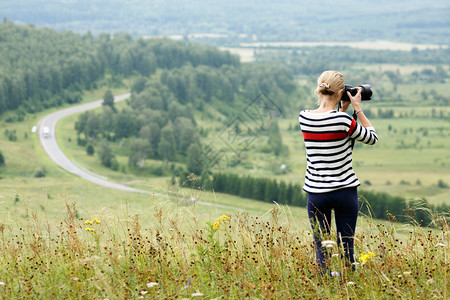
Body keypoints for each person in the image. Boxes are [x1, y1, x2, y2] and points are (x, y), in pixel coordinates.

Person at [298, 70, 378, 275]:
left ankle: (324, 283)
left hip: (316, 193)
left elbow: (329, 129)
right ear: (342, 92)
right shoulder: (343, 121)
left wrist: (342, 110)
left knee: (322, 247)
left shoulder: (304, 117)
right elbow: (372, 137)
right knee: (346, 248)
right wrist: (357, 109)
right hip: (345, 192)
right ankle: (347, 285)